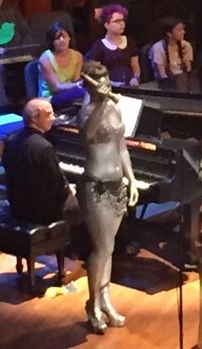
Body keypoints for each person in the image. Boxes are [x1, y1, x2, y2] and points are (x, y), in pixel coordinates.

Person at [77, 61, 139, 334]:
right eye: (100, 83)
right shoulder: (86, 111)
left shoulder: (114, 108)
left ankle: (106, 300)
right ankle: (92, 305)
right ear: (91, 85)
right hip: (96, 186)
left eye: (108, 82)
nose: (107, 88)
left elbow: (121, 146)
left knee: (110, 249)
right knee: (101, 248)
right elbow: (89, 134)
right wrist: (102, 101)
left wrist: (132, 178)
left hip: (118, 185)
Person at [2, 98, 80, 225]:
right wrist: (71, 189)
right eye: (49, 114)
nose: (54, 118)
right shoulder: (44, 147)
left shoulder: (11, 139)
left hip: (17, 205)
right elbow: (58, 185)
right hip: (42, 211)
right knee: (85, 203)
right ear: (34, 119)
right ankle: (74, 242)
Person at [85, 3, 140, 86]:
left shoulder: (130, 42)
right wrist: (111, 84)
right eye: (117, 21)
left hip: (130, 86)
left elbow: (135, 67)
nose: (122, 24)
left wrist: (135, 78)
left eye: (123, 20)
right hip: (109, 87)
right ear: (107, 25)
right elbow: (96, 74)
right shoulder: (99, 46)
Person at [38, 22, 85, 109]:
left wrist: (79, 84)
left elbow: (75, 80)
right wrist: (79, 85)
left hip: (70, 93)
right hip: (50, 98)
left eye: (64, 36)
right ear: (52, 41)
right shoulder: (45, 58)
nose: (62, 40)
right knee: (83, 92)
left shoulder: (78, 56)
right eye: (57, 38)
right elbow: (56, 87)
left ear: (69, 38)